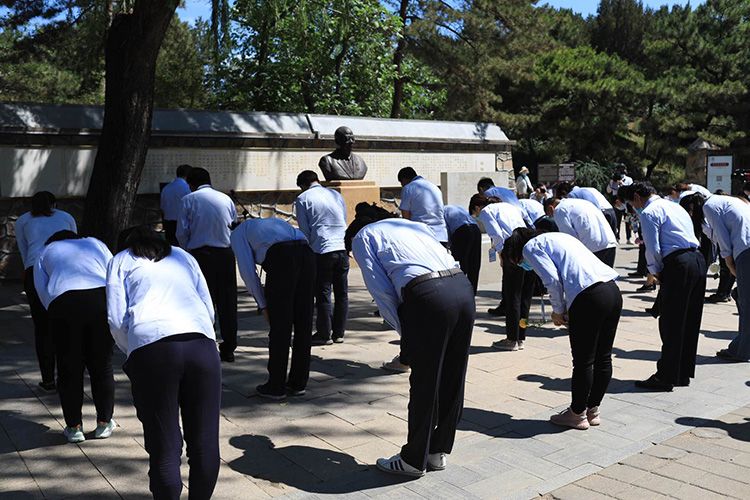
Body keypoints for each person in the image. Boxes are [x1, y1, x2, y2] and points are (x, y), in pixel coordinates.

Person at [348, 217, 474, 476]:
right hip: (462, 287)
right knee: (453, 376)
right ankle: (438, 452)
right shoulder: (411, 225)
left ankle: (413, 459)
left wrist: (407, 337)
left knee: (425, 382)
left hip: (428, 295)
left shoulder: (362, 238)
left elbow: (381, 292)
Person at [107, 226, 220, 499]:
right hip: (201, 344)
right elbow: (208, 306)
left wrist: (132, 350)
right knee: (205, 442)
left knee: (165, 445)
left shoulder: (120, 260)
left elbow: (115, 317)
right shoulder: (183, 256)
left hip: (152, 349)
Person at [504, 228, 621, 429]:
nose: (523, 266)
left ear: (516, 250)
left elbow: (552, 280)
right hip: (611, 290)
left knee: (584, 360)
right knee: (603, 356)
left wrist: (558, 310)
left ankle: (577, 414)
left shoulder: (531, 247)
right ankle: (593, 410)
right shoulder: (559, 237)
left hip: (589, 297)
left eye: (517, 262)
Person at [619, 183, 706, 391]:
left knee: (671, 322)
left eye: (632, 203)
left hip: (678, 264)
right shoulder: (674, 205)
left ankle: (665, 376)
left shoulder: (649, 212)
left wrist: (655, 271)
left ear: (638, 197)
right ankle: (682, 372)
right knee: (689, 319)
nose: (634, 208)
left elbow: (653, 248)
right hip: (697, 260)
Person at [35, 230, 115, 443]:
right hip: (99, 298)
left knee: (69, 368)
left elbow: (41, 289)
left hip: (63, 302)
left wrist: (55, 311)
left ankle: (74, 427)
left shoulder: (45, 251)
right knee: (102, 365)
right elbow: (113, 271)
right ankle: (104, 423)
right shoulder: (95, 242)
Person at [230, 217, 315, 399]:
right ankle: (298, 382)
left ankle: (276, 385)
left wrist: (263, 305)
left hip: (282, 258)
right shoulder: (265, 224)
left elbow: (248, 272)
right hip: (306, 253)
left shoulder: (237, 234)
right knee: (303, 323)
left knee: (280, 327)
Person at [14, 191, 77, 391]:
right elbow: (74, 240)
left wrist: (28, 270)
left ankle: (48, 378)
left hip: (35, 269)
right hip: (64, 269)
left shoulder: (23, 220)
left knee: (42, 327)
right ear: (54, 204)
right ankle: (70, 374)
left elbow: (24, 250)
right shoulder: (66, 217)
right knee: (67, 324)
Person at [177, 167, 238, 362]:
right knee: (227, 302)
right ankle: (229, 347)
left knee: (203, 300)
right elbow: (233, 224)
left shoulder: (188, 200)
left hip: (201, 254)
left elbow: (181, 232)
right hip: (225, 253)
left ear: (190, 183)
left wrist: (188, 252)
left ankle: (206, 344)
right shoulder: (225, 199)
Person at [294, 170, 349, 346]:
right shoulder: (334, 194)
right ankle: (339, 332)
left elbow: (304, 230)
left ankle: (324, 333)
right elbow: (344, 218)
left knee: (323, 293)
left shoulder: (303, 199)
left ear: (303, 185)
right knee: (342, 294)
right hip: (341, 246)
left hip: (322, 250)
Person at [477, 197, 532, 351]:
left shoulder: (487, 211)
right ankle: (521, 336)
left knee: (512, 296)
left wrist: (502, 255)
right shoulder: (510, 207)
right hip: (526, 246)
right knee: (524, 298)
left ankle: (511, 338)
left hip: (511, 249)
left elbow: (496, 235)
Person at [702, 195, 750, 361]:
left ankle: (742, 350)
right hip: (746, 246)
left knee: (745, 302)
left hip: (745, 250)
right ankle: (741, 345)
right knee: (739, 296)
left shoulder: (709, 206)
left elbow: (721, 235)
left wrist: (728, 261)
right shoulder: (730, 201)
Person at [546, 198, 618, 267]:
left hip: (592, 249)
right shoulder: (581, 202)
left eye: (550, 215)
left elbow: (569, 238)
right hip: (610, 242)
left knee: (594, 279)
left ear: (550, 208)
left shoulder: (559, 210)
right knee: (608, 277)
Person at [398, 167, 448, 244]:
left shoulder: (408, 188)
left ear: (404, 179)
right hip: (441, 235)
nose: (402, 185)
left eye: (401, 183)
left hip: (422, 235)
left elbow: (406, 217)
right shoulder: (434, 187)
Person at [444, 205, 481, 294]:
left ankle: (460, 291)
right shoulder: (455, 208)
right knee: (474, 263)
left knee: (460, 263)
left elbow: (445, 230)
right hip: (475, 228)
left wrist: (448, 245)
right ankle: (472, 293)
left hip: (461, 230)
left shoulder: (441, 212)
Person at [160, 164, 192, 246]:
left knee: (171, 248)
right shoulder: (188, 188)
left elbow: (162, 207)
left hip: (168, 224)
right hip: (183, 224)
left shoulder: (166, 188)